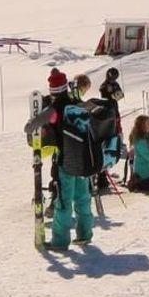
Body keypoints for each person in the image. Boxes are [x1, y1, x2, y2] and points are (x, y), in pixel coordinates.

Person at [42, 69, 99, 248]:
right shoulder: (76, 102)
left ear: (52, 90)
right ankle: (85, 233)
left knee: (64, 200)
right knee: (83, 197)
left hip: (65, 160)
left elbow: (33, 126)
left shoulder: (54, 108)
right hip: (83, 159)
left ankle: (60, 241)